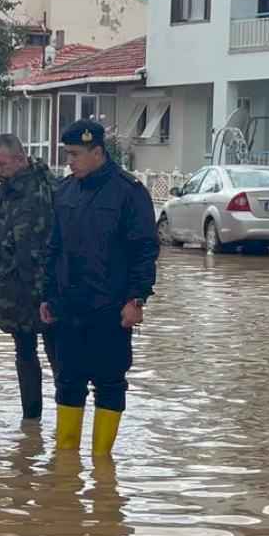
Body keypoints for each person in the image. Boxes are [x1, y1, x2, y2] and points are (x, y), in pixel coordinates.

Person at [40, 119, 159, 457]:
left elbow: (145, 250)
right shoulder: (64, 191)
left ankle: (103, 465)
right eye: (67, 154)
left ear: (97, 152)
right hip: (68, 307)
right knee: (67, 382)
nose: (70, 161)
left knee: (109, 384)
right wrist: (47, 295)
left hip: (110, 308)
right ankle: (66, 464)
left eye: (75, 154)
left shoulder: (129, 192)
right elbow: (53, 247)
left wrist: (137, 299)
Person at [0, 133, 59, 422]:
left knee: (59, 356)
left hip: (52, 290)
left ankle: (67, 418)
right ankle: (31, 422)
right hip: (14, 292)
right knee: (24, 353)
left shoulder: (52, 189)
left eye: (2, 164)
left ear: (20, 159)